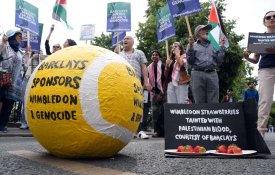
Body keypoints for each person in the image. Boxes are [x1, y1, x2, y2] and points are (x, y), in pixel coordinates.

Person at [243, 11, 275, 137]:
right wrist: (246, 57)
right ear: (264, 22)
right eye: (268, 17)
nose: (272, 18)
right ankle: (260, 134)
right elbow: (255, 59)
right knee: (265, 101)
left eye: (274, 16)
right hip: (266, 70)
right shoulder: (259, 39)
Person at [117, 35, 151, 139]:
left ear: (132, 42)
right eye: (124, 39)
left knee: (139, 106)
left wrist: (146, 81)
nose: (125, 40)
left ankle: (141, 130)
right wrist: (115, 52)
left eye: (127, 38)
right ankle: (128, 131)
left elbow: (144, 67)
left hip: (137, 82)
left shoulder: (139, 53)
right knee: (125, 106)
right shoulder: (119, 54)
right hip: (122, 83)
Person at [186, 24, 225, 104]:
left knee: (214, 101)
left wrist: (221, 46)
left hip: (212, 74)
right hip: (197, 74)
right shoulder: (192, 45)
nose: (207, 31)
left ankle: (213, 116)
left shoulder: (214, 45)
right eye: (204, 29)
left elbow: (219, 60)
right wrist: (190, 47)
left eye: (207, 29)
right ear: (198, 33)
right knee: (199, 101)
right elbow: (190, 62)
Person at [0, 29, 24, 132]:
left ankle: (3, 125)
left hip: (13, 82)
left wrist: (27, 54)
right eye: (19, 37)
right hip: (2, 79)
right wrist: (3, 42)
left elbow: (23, 65)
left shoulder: (19, 51)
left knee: (9, 104)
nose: (21, 39)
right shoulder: (6, 46)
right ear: (12, 36)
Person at [147, 50, 166, 137]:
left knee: (164, 112)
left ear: (159, 57)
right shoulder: (148, 68)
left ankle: (165, 131)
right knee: (155, 113)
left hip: (163, 93)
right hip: (154, 93)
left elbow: (166, 80)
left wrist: (162, 94)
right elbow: (148, 82)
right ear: (151, 57)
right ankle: (156, 131)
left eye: (156, 55)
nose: (154, 56)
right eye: (153, 55)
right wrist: (155, 93)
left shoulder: (162, 66)